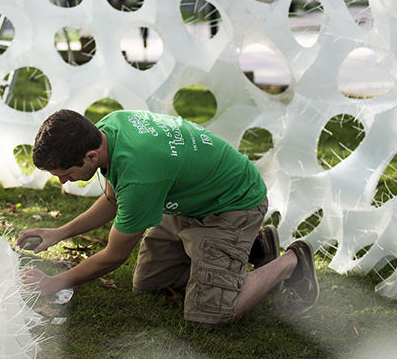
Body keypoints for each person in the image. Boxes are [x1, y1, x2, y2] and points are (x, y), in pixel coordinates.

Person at [18, 109, 319, 327]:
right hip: (189, 201)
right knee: (150, 283)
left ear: (91, 156)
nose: (63, 183)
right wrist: (59, 232)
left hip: (232, 207)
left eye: (67, 174)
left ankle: (290, 261)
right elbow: (112, 199)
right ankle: (254, 247)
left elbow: (113, 256)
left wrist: (54, 283)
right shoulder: (108, 128)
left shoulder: (140, 177)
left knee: (209, 317)